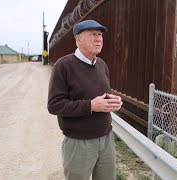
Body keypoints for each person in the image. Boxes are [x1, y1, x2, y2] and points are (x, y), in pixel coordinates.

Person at [47, 19, 123, 180]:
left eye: (100, 35)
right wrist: (91, 106)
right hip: (79, 143)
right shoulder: (63, 66)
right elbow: (54, 105)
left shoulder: (101, 64)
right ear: (78, 39)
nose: (99, 39)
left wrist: (113, 100)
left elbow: (102, 94)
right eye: (93, 34)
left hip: (106, 139)